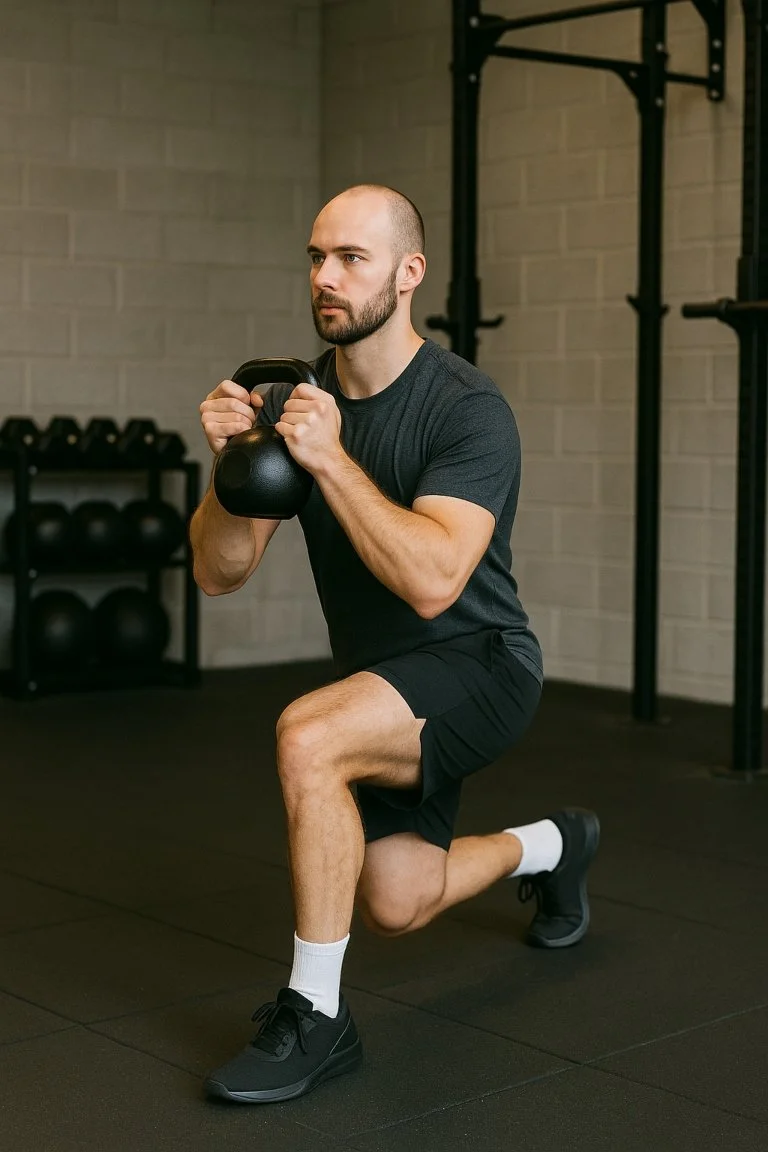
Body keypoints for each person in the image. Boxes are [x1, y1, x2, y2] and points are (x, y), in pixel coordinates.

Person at [190, 184, 599, 1105]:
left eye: (351, 259)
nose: (324, 279)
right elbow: (218, 573)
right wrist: (229, 473)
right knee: (397, 897)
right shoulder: (297, 405)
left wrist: (332, 461)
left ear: (409, 274)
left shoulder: (467, 409)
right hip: (387, 684)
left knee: (309, 734)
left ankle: (317, 1020)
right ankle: (555, 847)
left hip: (484, 664)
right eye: (314, 257)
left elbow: (433, 581)